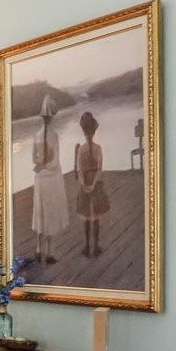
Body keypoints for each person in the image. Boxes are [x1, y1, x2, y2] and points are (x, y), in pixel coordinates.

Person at [30, 107, 69, 264]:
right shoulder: (54, 135)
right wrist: (46, 165)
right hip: (50, 178)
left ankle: (38, 249)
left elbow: (34, 159)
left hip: (39, 178)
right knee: (49, 212)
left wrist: (40, 164)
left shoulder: (36, 135)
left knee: (40, 211)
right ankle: (49, 252)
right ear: (51, 118)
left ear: (42, 118)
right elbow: (55, 162)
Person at [73, 110, 109, 257]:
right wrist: (93, 184)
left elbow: (80, 170)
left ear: (83, 131)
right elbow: (99, 169)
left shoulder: (81, 150)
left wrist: (84, 184)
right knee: (95, 217)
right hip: (96, 184)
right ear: (94, 131)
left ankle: (87, 246)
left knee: (88, 216)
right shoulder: (98, 148)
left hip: (86, 184)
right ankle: (95, 246)